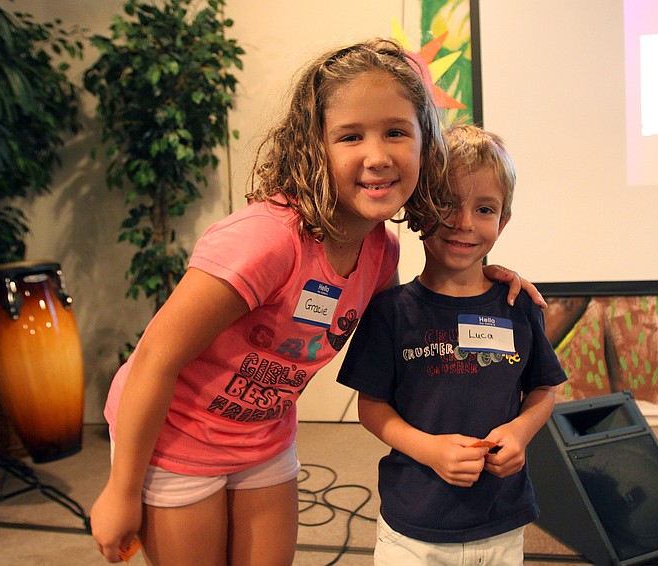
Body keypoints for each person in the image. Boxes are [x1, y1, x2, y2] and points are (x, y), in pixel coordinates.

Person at [90, 39, 542, 566]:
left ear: (426, 145)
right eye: (351, 136)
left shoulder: (380, 250)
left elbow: (415, 315)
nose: (377, 156)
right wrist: (121, 490)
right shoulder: (264, 240)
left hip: (264, 437)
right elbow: (154, 360)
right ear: (314, 146)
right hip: (177, 438)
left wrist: (481, 274)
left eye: (396, 131)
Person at [337, 125, 568, 565]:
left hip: (501, 519)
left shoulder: (520, 305)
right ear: (418, 209)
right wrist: (430, 449)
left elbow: (544, 389)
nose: (464, 223)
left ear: (503, 221)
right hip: (413, 528)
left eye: (484, 209)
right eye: (446, 203)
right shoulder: (390, 312)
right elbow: (372, 407)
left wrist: (520, 432)